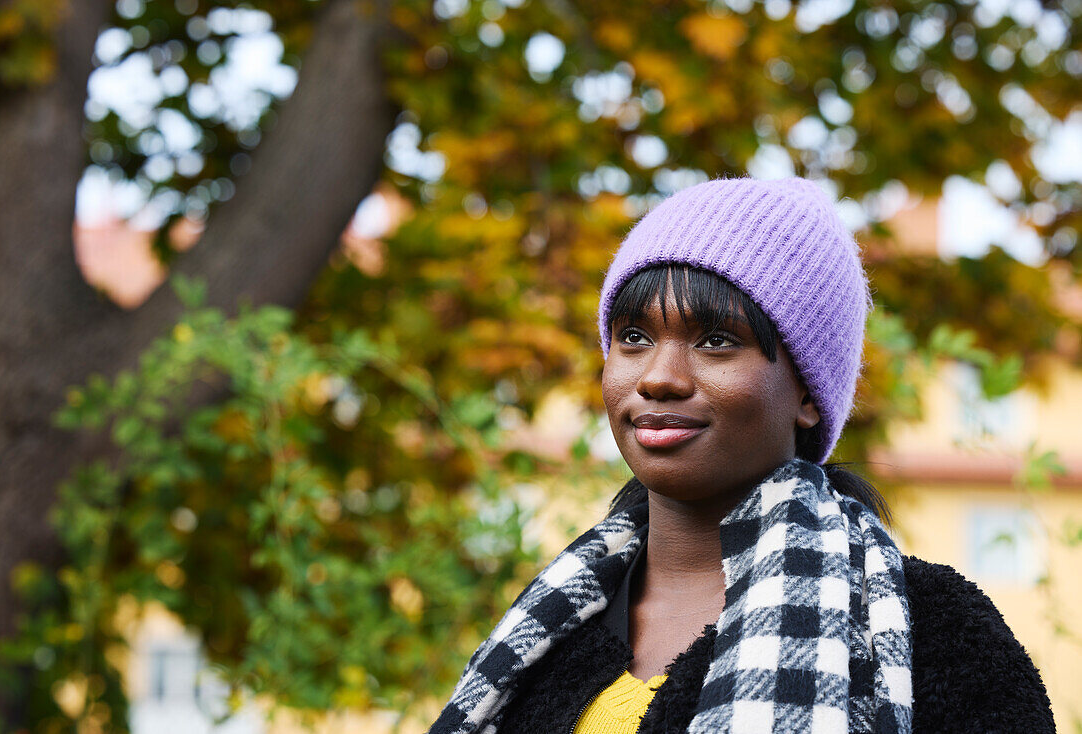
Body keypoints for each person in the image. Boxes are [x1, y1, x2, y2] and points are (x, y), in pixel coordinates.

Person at [428, 178, 1054, 733]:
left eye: (717, 340)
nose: (659, 377)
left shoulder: (935, 631)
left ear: (808, 394)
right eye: (635, 338)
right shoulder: (551, 629)